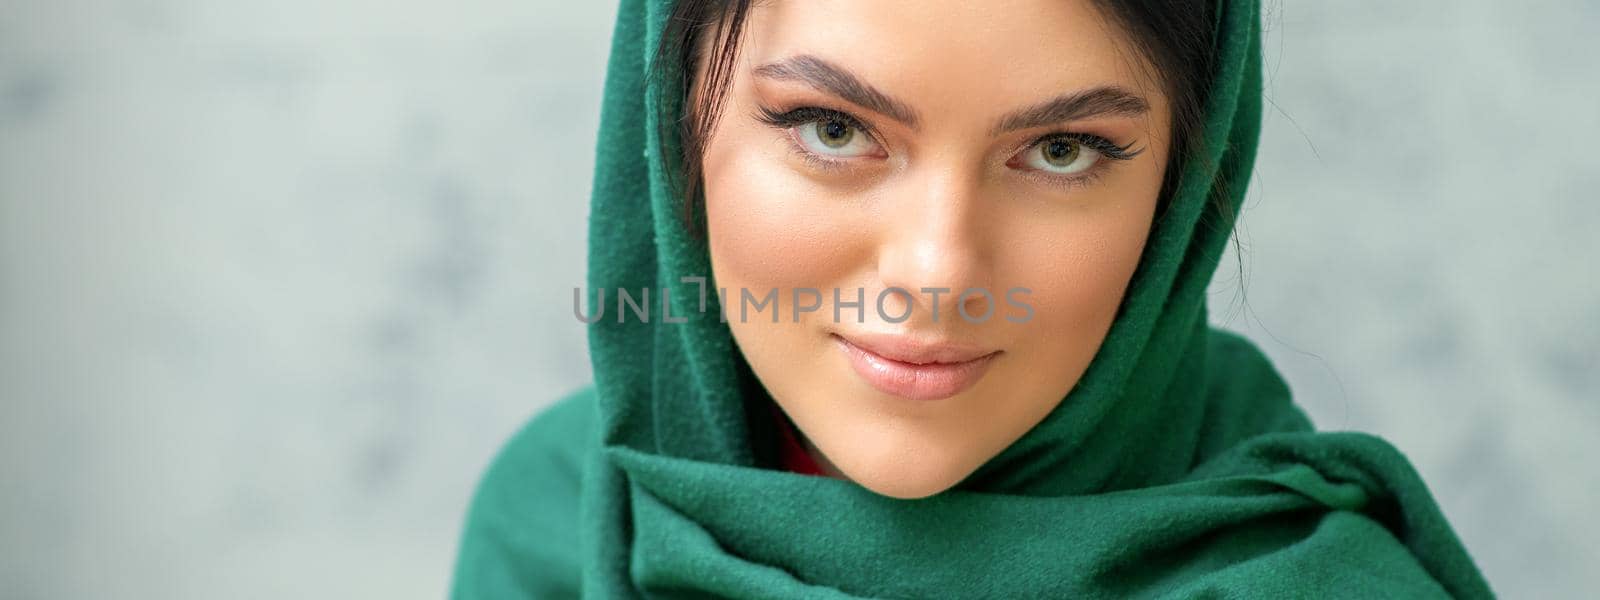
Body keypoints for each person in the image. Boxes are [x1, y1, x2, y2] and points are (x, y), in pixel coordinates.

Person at [451, 0, 1494, 597]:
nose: (938, 276)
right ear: (673, 119)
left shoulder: (1314, 583)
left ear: (1180, 188)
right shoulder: (555, 522)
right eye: (830, 127)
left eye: (1060, 149)